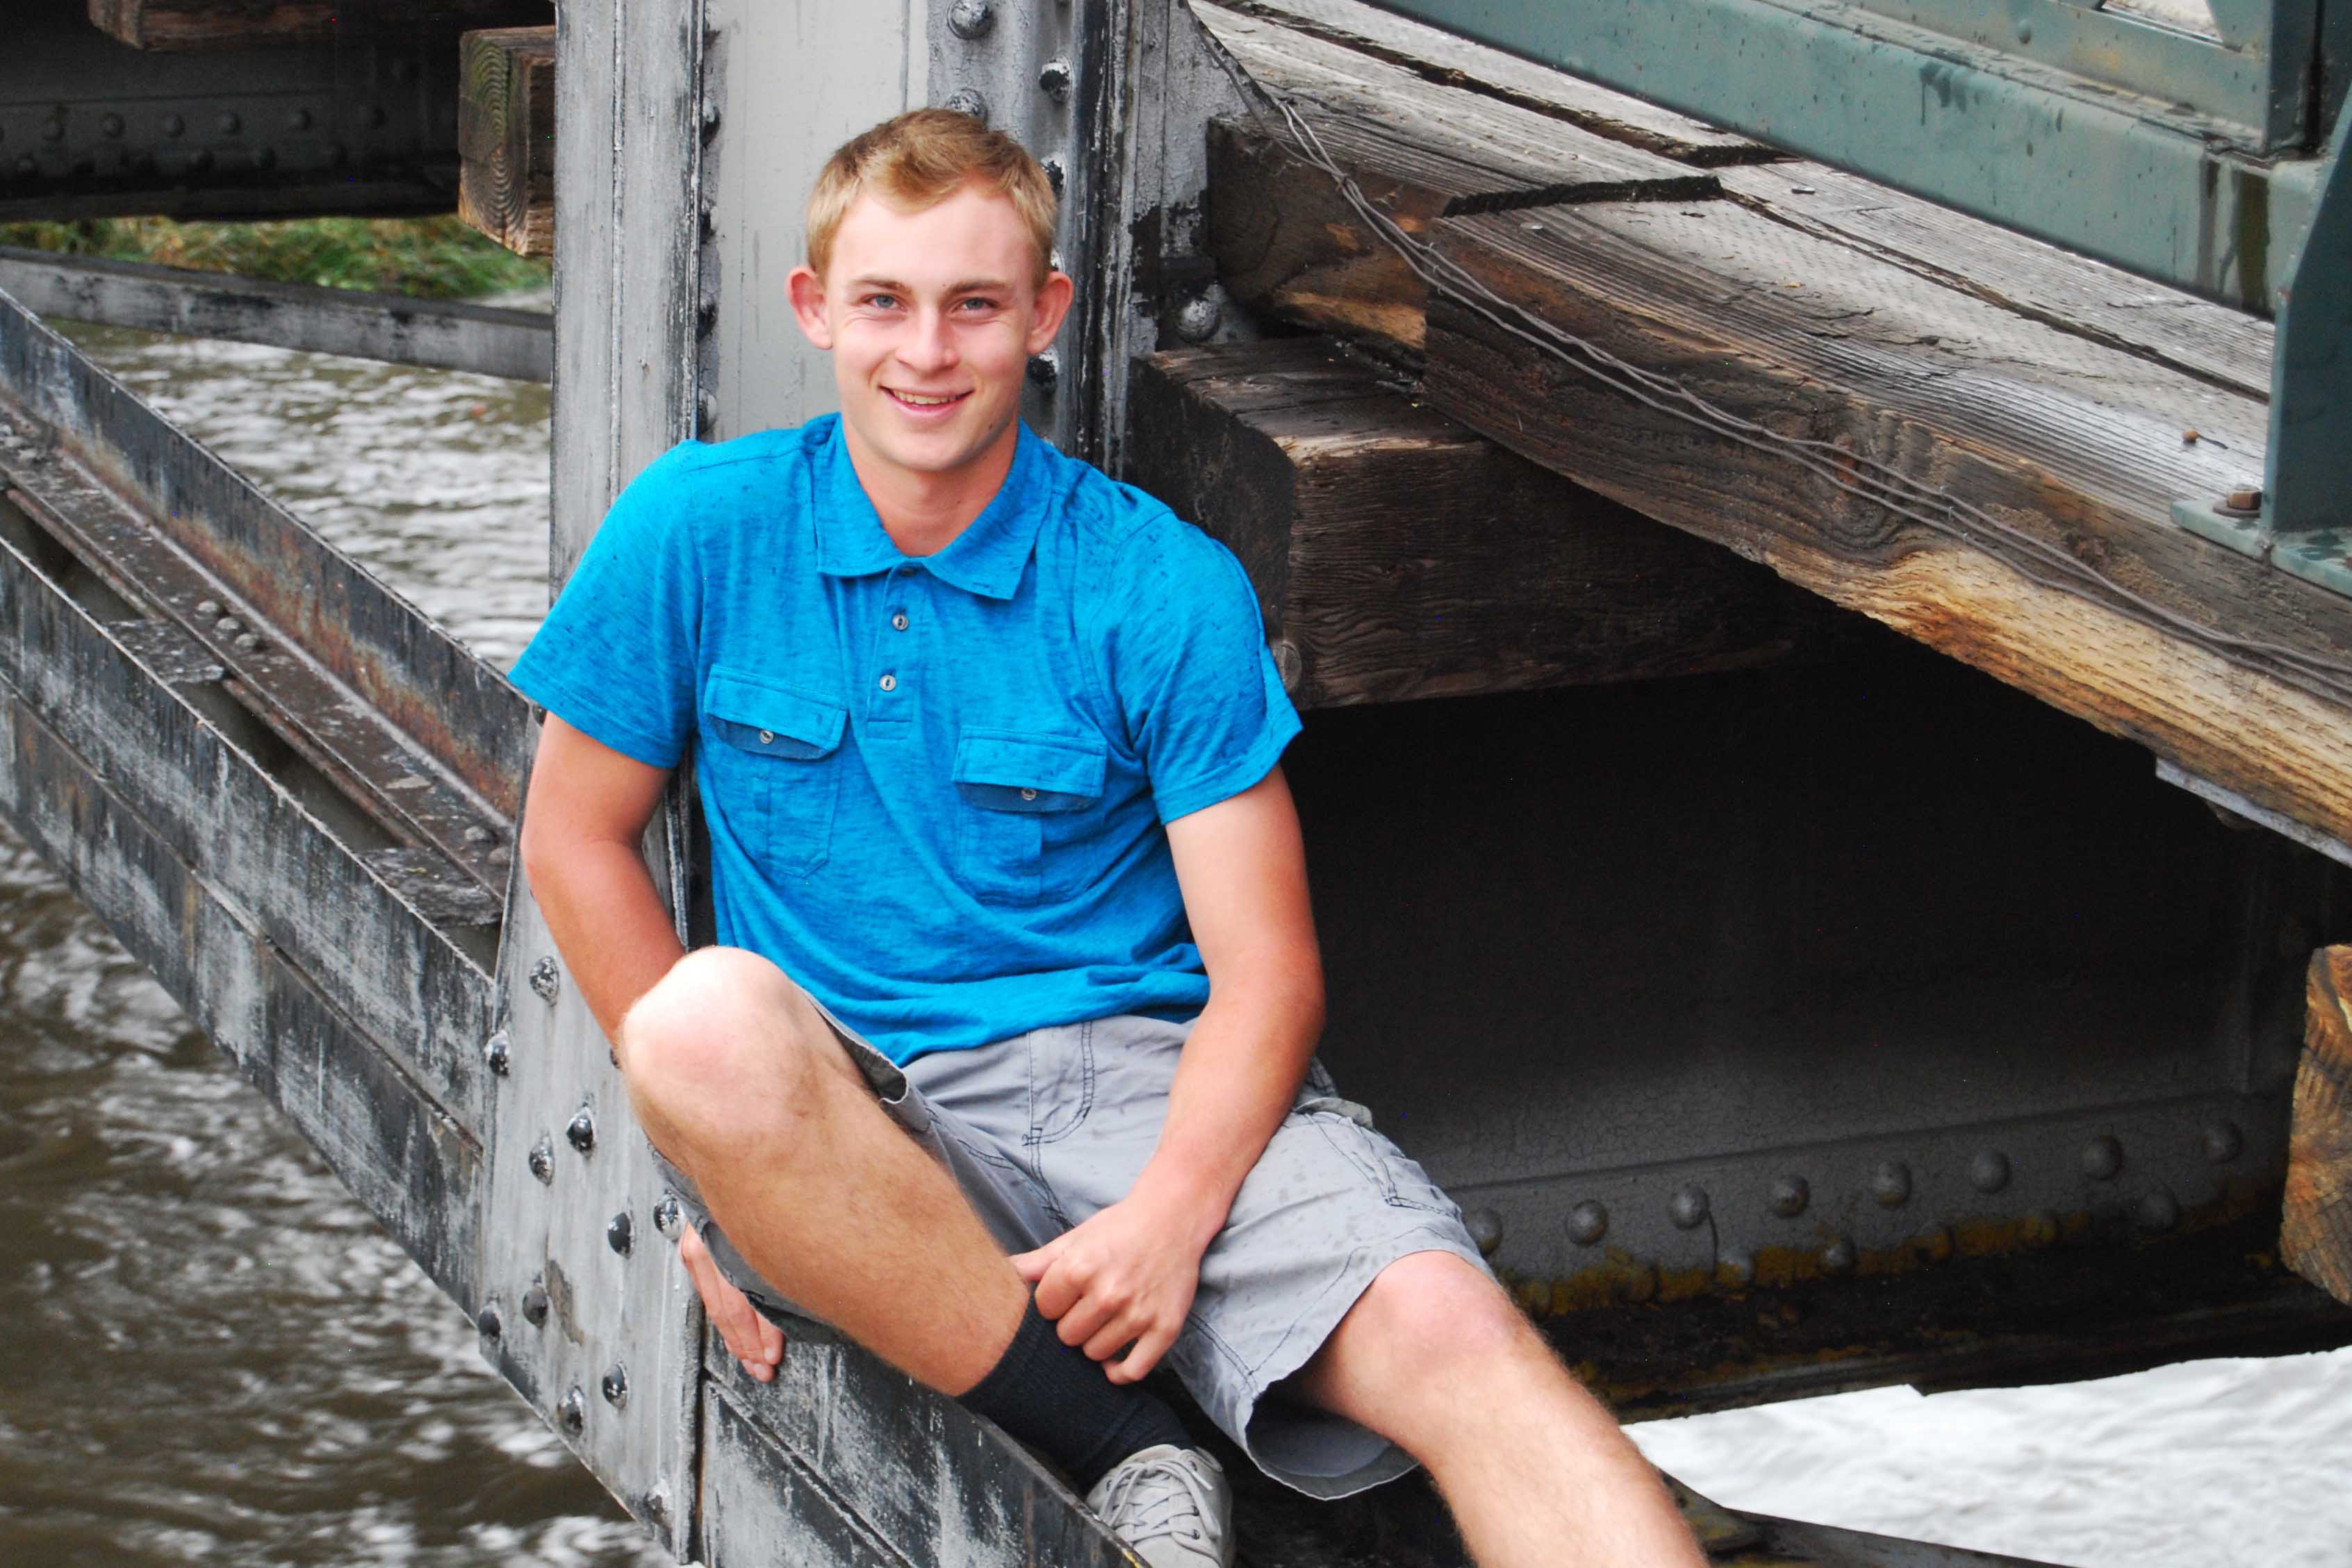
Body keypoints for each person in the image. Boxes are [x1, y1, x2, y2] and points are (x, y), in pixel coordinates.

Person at [511, 108, 1704, 1567]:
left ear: (1045, 314)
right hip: (855, 1115)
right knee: (695, 1025)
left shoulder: (1154, 584)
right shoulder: (697, 530)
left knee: (1461, 1339)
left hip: (1136, 1094)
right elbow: (574, 839)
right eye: (883, 302)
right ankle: (1120, 1445)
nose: (925, 352)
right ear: (815, 307)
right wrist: (715, 1179)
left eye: (974, 305)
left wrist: (1168, 1218)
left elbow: (1267, 974)